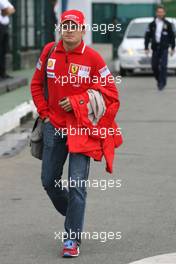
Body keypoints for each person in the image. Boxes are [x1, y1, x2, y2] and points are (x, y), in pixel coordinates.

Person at [31, 9, 122, 258]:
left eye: (74, 25)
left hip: (83, 131)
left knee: (78, 186)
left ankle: (72, 237)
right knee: (49, 181)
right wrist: (45, 113)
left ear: (83, 30)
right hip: (54, 128)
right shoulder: (49, 51)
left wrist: (79, 101)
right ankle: (74, 211)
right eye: (65, 25)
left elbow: (111, 93)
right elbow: (36, 84)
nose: (69, 29)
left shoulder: (93, 58)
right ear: (60, 28)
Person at [144, 5, 175, 90]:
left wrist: (173, 48)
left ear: (164, 13)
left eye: (162, 12)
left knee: (164, 66)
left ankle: (162, 83)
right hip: (155, 47)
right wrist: (146, 47)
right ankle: (159, 80)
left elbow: (172, 37)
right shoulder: (152, 24)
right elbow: (147, 36)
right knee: (154, 66)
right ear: (156, 13)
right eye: (159, 12)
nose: (160, 14)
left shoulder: (168, 24)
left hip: (164, 48)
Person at [0, 0, 15, 80]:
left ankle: (2, 72)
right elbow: (8, 10)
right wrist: (6, 10)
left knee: (3, 51)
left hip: (4, 27)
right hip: (1, 27)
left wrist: (6, 11)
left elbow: (12, 9)